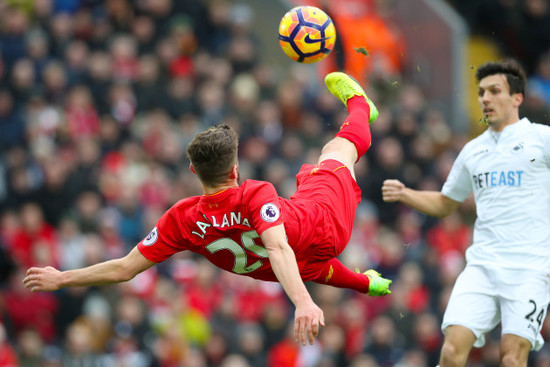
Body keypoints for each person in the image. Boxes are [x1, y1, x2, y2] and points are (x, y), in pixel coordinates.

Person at [23, 72, 392, 346]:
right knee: (337, 151)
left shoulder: (182, 219)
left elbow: (123, 269)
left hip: (296, 262)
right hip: (322, 225)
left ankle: (368, 283)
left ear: (192, 171)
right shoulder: (254, 192)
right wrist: (304, 304)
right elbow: (279, 247)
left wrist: (62, 278)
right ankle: (362, 105)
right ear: (234, 170)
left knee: (305, 259)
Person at [382, 58, 550, 367]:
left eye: (494, 91)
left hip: (529, 270)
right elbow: (446, 204)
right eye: (481, 92)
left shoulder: (542, 139)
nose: (485, 98)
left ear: (517, 98)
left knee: (512, 358)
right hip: (483, 266)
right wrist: (406, 193)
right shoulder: (473, 150)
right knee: (450, 352)